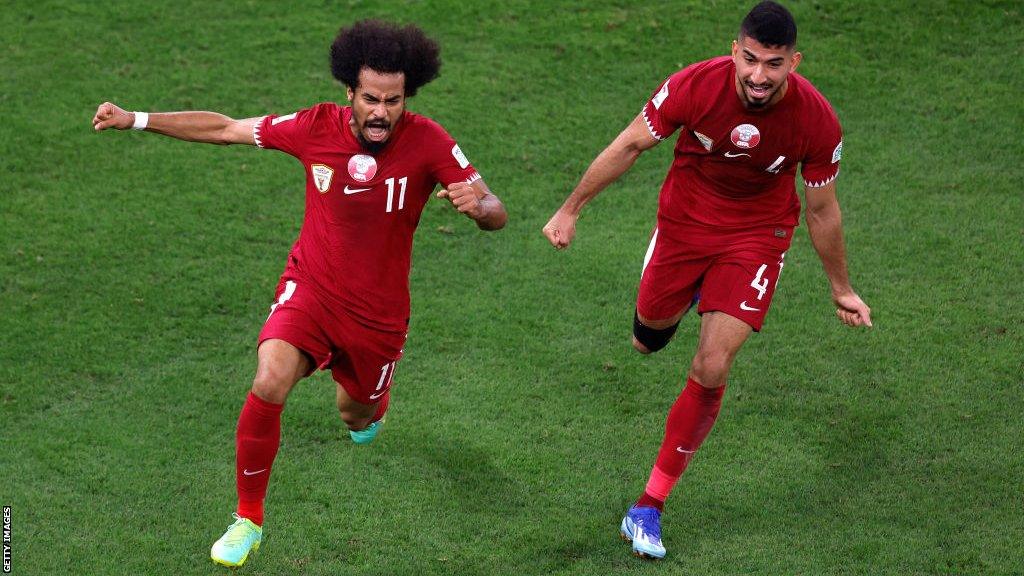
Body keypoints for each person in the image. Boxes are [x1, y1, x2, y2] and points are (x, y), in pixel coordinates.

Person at [93, 20, 506, 568]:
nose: (381, 112)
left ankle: (371, 405)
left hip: (378, 318)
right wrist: (136, 120)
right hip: (310, 290)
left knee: (355, 418)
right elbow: (226, 129)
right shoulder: (314, 127)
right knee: (269, 379)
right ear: (349, 94)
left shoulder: (430, 140)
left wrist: (479, 210)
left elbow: (493, 208)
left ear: (408, 97)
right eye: (370, 99)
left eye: (393, 100)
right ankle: (248, 519)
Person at [542, 1, 871, 560]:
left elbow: (821, 210)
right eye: (749, 60)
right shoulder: (693, 85)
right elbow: (630, 144)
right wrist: (571, 209)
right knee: (647, 340)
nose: (758, 76)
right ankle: (686, 293)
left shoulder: (818, 119)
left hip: (756, 238)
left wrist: (840, 287)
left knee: (713, 364)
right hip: (683, 227)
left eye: (773, 64)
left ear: (795, 61)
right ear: (733, 50)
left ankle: (648, 507)